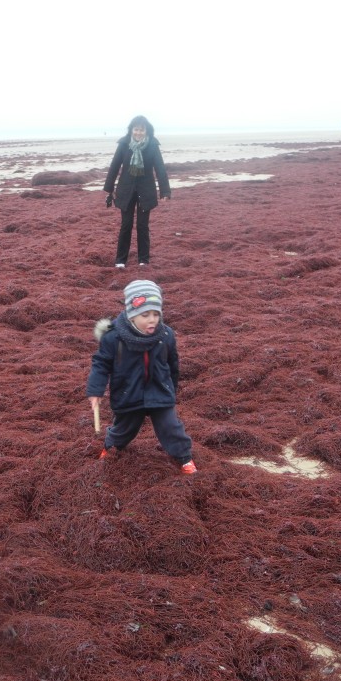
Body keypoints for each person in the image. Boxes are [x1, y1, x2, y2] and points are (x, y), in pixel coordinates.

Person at [86, 280, 196, 474]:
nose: (152, 320)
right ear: (131, 315)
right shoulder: (113, 338)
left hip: (159, 391)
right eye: (145, 315)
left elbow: (173, 364)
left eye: (156, 314)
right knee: (124, 429)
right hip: (128, 393)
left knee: (171, 427)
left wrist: (171, 388)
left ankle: (184, 458)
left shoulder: (166, 335)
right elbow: (101, 363)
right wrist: (96, 390)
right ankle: (111, 449)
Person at [103, 115, 171, 268]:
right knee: (126, 224)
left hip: (145, 190)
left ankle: (143, 260)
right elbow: (114, 166)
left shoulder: (152, 145)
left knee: (142, 225)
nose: (138, 132)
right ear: (131, 130)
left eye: (142, 130)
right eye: (136, 129)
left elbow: (160, 169)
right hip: (126, 189)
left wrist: (165, 191)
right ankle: (121, 260)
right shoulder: (123, 144)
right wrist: (109, 188)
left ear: (146, 131)